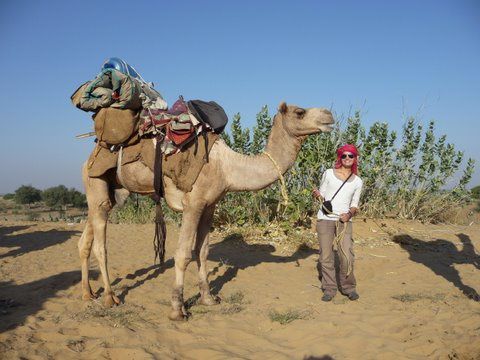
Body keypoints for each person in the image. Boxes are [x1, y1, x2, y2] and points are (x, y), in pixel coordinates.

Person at [312, 144, 363, 302]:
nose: (347, 158)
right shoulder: (328, 173)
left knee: (347, 255)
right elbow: (323, 194)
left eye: (351, 156)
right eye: (344, 156)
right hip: (325, 219)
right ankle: (329, 288)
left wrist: (349, 214)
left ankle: (348, 287)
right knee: (326, 256)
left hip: (344, 221)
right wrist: (317, 195)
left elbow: (355, 204)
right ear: (339, 157)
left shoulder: (357, 181)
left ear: (355, 158)